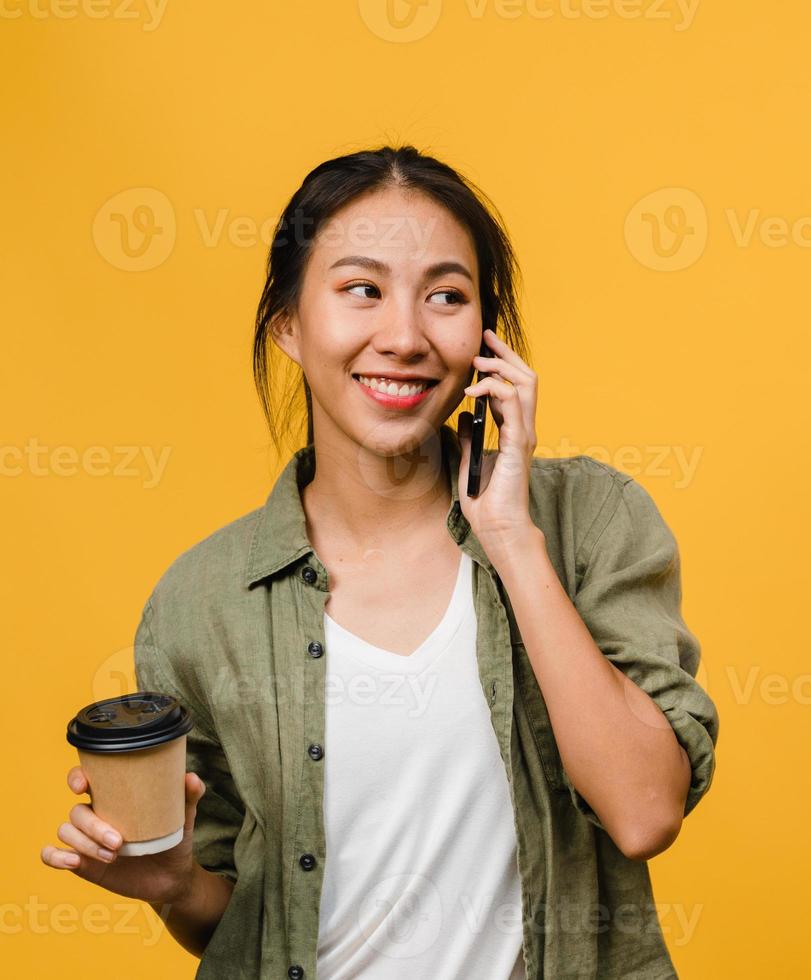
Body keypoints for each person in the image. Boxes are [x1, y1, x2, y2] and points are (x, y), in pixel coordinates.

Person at [39, 145, 719, 979]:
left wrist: (508, 535)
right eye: (362, 289)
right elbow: (235, 921)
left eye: (446, 296)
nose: (403, 337)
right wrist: (176, 887)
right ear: (287, 324)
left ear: (485, 337)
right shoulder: (201, 601)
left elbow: (644, 811)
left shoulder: (589, 522)